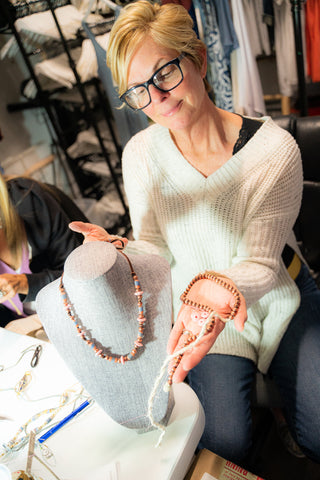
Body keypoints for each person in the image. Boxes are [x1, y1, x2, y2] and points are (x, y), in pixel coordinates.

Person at [69, 0, 320, 466]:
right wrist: (123, 252)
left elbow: (262, 264)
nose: (156, 98)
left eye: (164, 73)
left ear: (200, 60)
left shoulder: (274, 152)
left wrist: (218, 284)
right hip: (198, 310)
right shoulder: (141, 154)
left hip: (279, 297)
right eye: (138, 91)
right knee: (224, 444)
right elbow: (155, 246)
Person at [0, 173, 88, 325]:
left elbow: (85, 275)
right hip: (29, 335)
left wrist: (27, 284)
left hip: (81, 314)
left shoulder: (29, 202)